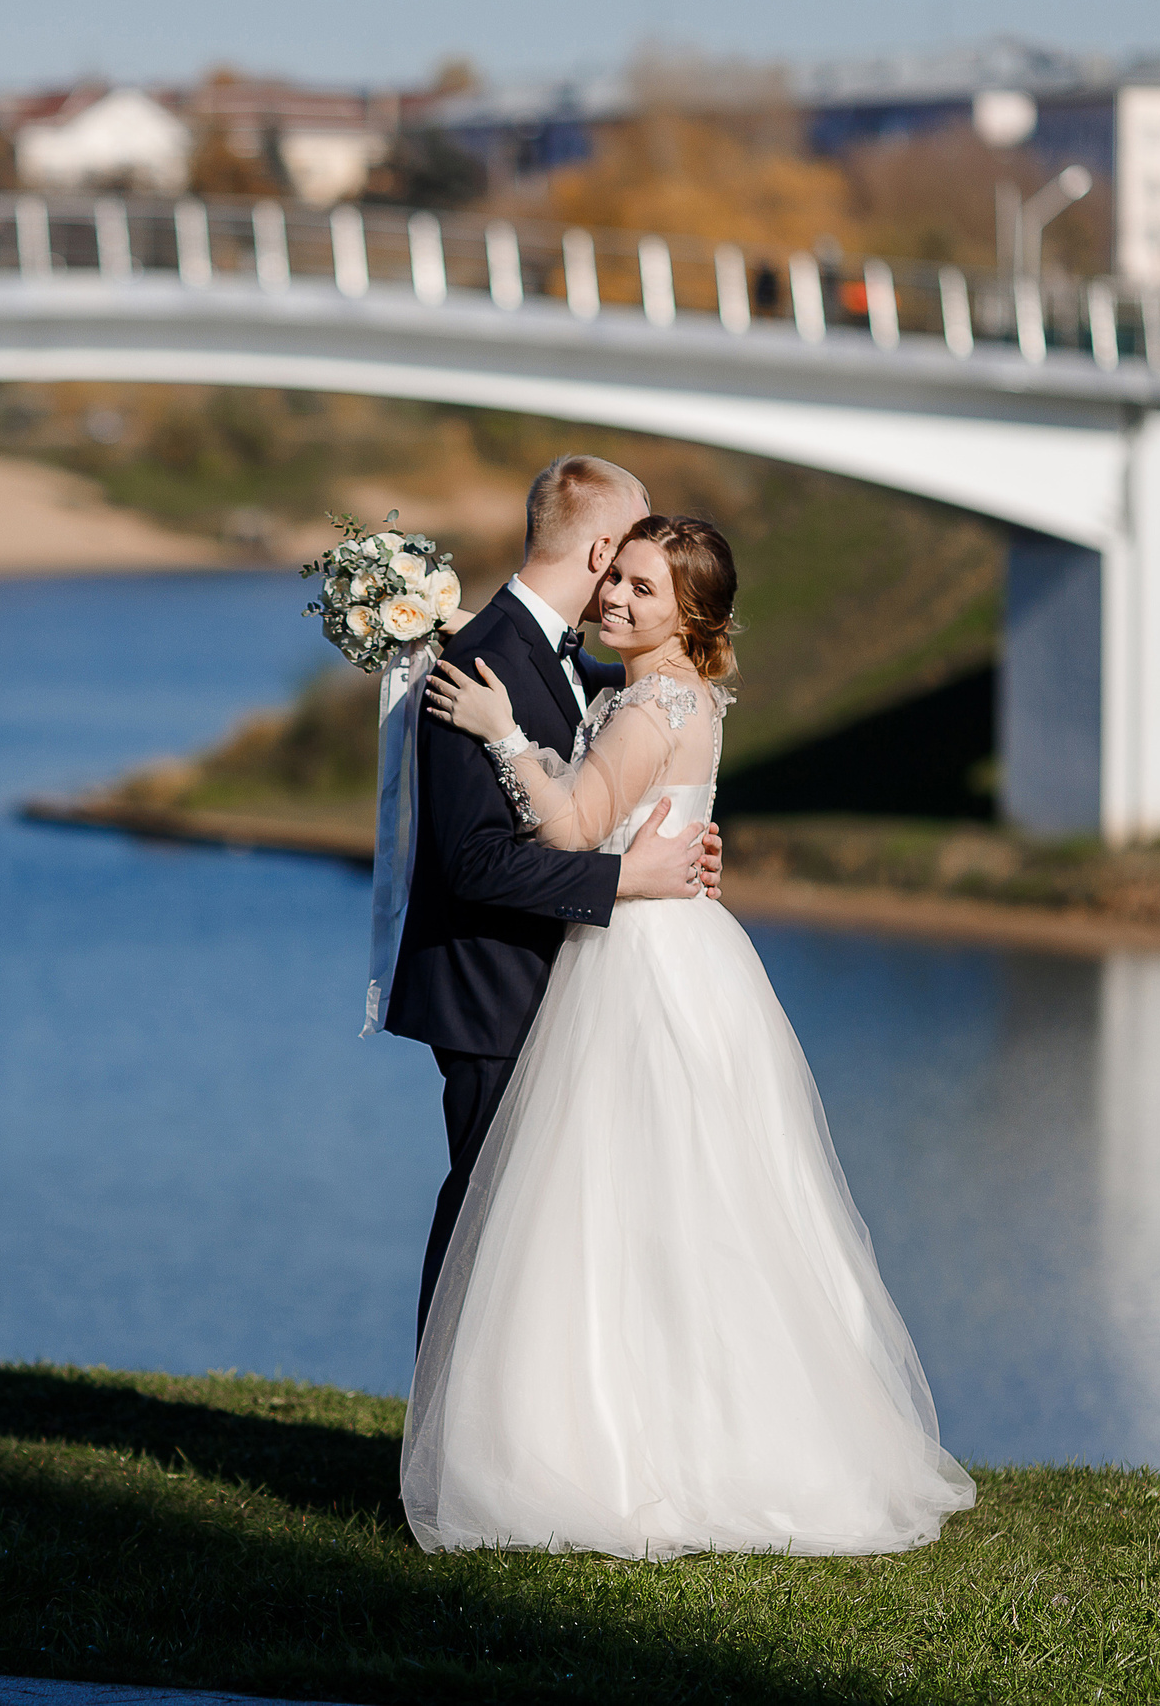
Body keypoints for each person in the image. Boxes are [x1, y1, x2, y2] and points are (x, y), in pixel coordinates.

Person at [401, 513, 975, 1557]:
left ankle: (631, 1455)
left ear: (689, 614)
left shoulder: (651, 701)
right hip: (687, 950)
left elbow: (573, 829)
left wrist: (498, 731)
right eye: (614, 578)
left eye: (644, 591)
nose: (616, 599)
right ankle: (691, 1434)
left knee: (616, 1206)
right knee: (692, 1203)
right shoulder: (678, 694)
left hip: (637, 964)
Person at [371, 455, 721, 1349]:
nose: (627, 577)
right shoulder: (480, 665)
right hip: (495, 994)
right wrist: (627, 877)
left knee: (545, 1247)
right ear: (602, 548)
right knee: (482, 1239)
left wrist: (677, 828)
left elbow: (638, 720)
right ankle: (440, 1465)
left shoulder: (555, 654)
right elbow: (474, 865)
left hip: (567, 992)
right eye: (631, 554)